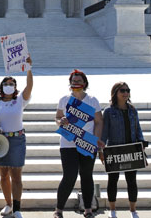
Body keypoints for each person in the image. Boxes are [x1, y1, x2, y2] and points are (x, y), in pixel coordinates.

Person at [0, 57, 33, 218]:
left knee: (16, 175)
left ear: (15, 87)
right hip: (0, 140)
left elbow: (29, 86)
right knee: (4, 174)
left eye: (11, 84)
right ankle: (8, 204)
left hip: (17, 139)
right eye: (6, 84)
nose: (8, 86)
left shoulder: (20, 100)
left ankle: (17, 208)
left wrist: (28, 68)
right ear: (1, 87)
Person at [53, 69, 102, 218]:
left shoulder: (92, 100)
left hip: (87, 143)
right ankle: (58, 210)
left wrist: (96, 141)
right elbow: (57, 118)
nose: (76, 83)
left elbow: (99, 122)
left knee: (87, 176)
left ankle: (88, 210)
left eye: (79, 81)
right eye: (73, 81)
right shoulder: (64, 99)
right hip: (68, 144)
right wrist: (60, 121)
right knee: (69, 176)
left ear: (85, 83)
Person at [99, 82, 143, 218]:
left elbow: (138, 128)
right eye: (122, 90)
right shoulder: (108, 111)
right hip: (114, 148)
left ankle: (133, 210)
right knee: (113, 180)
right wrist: (101, 150)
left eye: (127, 90)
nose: (125, 93)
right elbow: (104, 132)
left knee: (132, 180)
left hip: (131, 147)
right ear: (115, 93)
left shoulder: (133, 110)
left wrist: (141, 143)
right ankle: (112, 210)